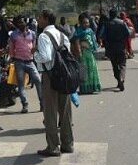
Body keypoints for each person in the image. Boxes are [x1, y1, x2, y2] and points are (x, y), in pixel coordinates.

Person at [34, 9, 73, 156]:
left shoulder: (44, 36)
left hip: (50, 76)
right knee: (65, 112)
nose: (38, 20)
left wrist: (35, 53)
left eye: (39, 17)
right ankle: (68, 144)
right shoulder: (62, 35)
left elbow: (45, 57)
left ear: (45, 19)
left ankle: (53, 146)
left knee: (50, 112)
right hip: (65, 75)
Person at [7, 15, 43, 113]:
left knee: (38, 81)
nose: (20, 24)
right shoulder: (13, 35)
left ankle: (42, 103)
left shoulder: (32, 34)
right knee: (21, 85)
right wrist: (12, 58)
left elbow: (34, 46)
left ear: (26, 23)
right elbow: (11, 48)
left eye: (22, 22)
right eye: (18, 23)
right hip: (19, 62)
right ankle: (25, 105)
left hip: (30, 62)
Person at [71, 13, 102, 94]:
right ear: (80, 23)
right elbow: (77, 43)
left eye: (87, 22)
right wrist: (79, 53)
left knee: (92, 70)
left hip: (90, 53)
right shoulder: (78, 31)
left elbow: (93, 41)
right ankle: (84, 89)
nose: (86, 24)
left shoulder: (90, 31)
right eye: (84, 22)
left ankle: (92, 87)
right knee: (83, 71)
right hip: (83, 53)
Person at [105, 9, 130, 91]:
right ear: (116, 14)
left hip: (111, 47)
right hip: (120, 46)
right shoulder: (122, 23)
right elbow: (128, 34)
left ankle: (119, 80)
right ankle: (121, 79)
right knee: (122, 64)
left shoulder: (107, 24)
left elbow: (103, 36)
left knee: (114, 65)